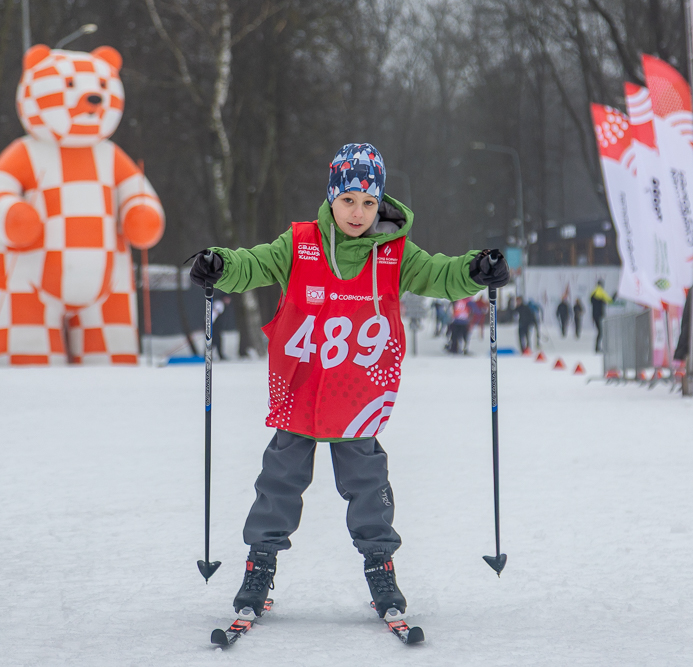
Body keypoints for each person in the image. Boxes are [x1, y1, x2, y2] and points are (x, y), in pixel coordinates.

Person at [187, 143, 510, 618]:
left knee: (367, 483)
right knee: (278, 482)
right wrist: (220, 264)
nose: (357, 213)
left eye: (368, 202)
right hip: (301, 388)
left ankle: (381, 568)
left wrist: (474, 270)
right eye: (347, 201)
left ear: (380, 203)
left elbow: (440, 275)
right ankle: (260, 566)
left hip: (357, 395)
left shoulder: (395, 253)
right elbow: (251, 264)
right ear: (331, 198)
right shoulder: (299, 244)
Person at [590, 279, 612, 352]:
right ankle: (598, 347)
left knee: (599, 331)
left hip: (594, 314)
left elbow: (590, 301)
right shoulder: (601, 292)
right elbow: (609, 300)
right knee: (601, 331)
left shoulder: (593, 292)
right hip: (600, 314)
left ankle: (597, 347)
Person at [211, 295, 232, 361]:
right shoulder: (219, 304)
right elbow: (213, 314)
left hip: (217, 327)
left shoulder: (222, 305)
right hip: (214, 327)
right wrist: (209, 324)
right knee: (215, 341)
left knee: (216, 341)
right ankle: (218, 355)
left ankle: (218, 355)